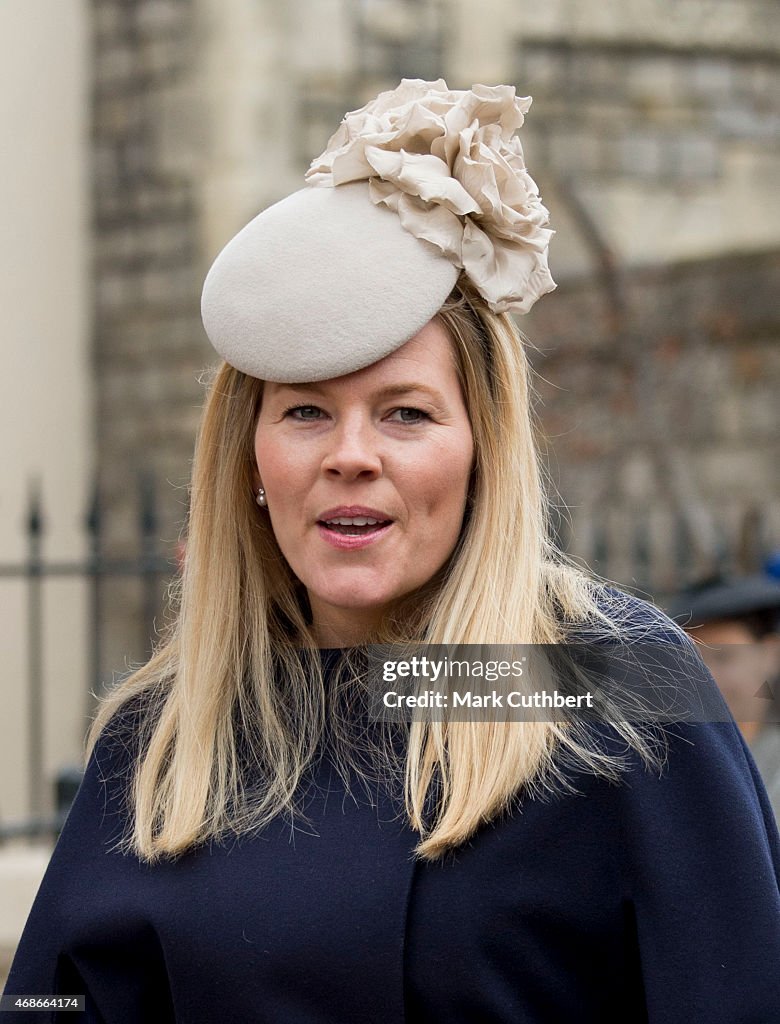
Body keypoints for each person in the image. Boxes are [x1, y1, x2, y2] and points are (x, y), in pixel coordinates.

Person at [4, 79, 779, 1023]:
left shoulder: (609, 684)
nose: (351, 457)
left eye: (406, 414)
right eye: (304, 413)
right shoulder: (167, 734)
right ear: (250, 459)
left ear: (485, 449)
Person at [668, 573, 780, 821]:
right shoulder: (666, 759)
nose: (705, 677)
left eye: (723, 657)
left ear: (772, 654)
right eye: (692, 661)